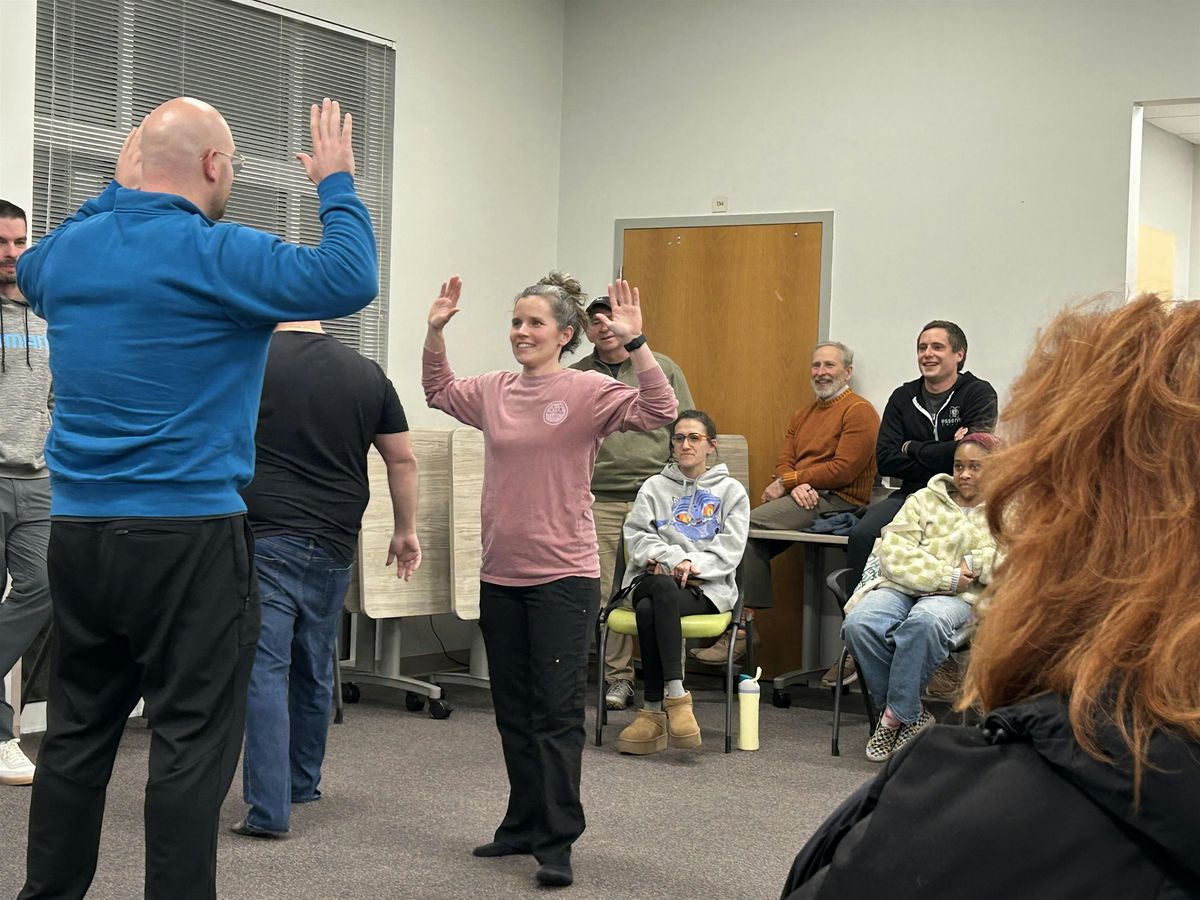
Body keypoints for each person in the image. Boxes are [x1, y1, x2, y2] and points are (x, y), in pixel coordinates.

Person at [15, 96, 377, 899]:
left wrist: (117, 189)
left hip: (80, 532)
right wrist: (336, 181)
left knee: (76, 735)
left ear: (134, 165)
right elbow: (350, 277)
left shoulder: (65, 258)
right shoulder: (221, 255)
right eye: (233, 165)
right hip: (187, 537)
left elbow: (37, 264)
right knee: (188, 742)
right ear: (215, 166)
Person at [780, 296, 1200, 900]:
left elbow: (985, 561)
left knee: (927, 622)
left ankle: (899, 716)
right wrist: (944, 568)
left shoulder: (936, 813)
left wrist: (947, 571)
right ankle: (902, 712)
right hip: (920, 584)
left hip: (950, 601)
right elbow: (894, 521)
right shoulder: (920, 483)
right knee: (866, 618)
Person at [423, 272, 676, 888]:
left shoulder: (587, 389)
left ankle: (557, 840)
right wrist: (434, 333)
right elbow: (438, 390)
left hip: (563, 576)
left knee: (557, 713)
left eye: (535, 322)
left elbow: (660, 411)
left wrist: (638, 344)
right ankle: (521, 823)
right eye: (516, 321)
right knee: (513, 709)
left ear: (565, 334)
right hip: (501, 574)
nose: (521, 332)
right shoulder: (494, 390)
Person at [234, 321, 420, 838]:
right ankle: (301, 783)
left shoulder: (250, 358)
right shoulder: (367, 373)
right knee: (314, 666)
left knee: (265, 670)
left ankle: (268, 809)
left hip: (265, 534)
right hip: (336, 540)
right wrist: (405, 530)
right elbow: (402, 459)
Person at [694, 341, 878, 666]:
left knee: (745, 526)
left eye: (830, 365)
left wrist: (791, 481)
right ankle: (740, 628)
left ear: (847, 371)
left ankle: (741, 630)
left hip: (840, 500)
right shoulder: (802, 414)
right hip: (805, 497)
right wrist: (792, 481)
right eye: (816, 365)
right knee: (744, 536)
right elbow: (784, 462)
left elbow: (844, 469)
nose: (821, 372)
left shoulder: (859, 411)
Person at [570, 294, 694, 711]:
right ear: (586, 331)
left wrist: (680, 487)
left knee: (668, 587)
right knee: (607, 593)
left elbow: (685, 426)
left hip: (657, 496)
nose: (604, 327)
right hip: (599, 498)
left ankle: (673, 681)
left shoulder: (660, 367)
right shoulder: (576, 375)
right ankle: (618, 679)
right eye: (596, 321)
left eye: (612, 319)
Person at [841, 433, 999, 762]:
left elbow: (1014, 559)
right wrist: (946, 576)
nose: (964, 474)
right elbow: (894, 553)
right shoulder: (923, 499)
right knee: (859, 624)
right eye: (959, 466)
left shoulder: (1007, 509)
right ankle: (909, 715)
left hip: (961, 597)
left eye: (975, 467)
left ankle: (891, 717)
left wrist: (974, 563)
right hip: (903, 586)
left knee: (924, 622)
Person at [614, 410, 749, 755]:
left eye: (694, 438)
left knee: (650, 609)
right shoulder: (653, 487)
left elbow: (731, 548)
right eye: (679, 438)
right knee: (659, 589)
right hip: (652, 578)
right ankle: (678, 696)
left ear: (711, 446)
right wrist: (676, 561)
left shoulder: (732, 491)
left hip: (704, 587)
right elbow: (638, 537)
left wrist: (692, 567)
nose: (685, 444)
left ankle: (652, 711)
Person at [846, 321, 997, 588]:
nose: (927, 354)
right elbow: (887, 460)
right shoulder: (902, 397)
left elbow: (973, 453)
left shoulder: (979, 393)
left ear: (959, 354)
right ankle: (858, 604)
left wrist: (912, 447)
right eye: (922, 347)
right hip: (911, 494)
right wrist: (948, 450)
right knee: (862, 534)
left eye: (937, 347)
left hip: (961, 497)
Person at [0, 200, 52, 787]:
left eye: (18, 242)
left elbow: (59, 393)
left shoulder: (47, 312)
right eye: (0, 243)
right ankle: (2, 738)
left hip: (39, 479)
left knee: (45, 589)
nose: (11, 254)